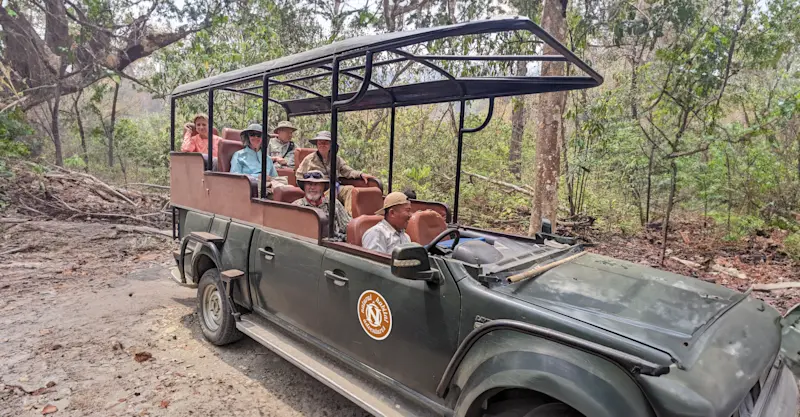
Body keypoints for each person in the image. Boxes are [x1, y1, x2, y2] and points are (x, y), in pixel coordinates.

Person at [296, 131, 377, 214]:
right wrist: (309, 184)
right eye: (320, 143)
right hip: (320, 188)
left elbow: (347, 171)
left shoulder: (336, 159)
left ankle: (348, 216)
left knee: (350, 189)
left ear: (331, 145)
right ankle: (328, 216)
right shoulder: (309, 159)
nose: (322, 145)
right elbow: (299, 175)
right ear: (317, 144)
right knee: (330, 193)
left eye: (326, 143)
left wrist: (360, 174)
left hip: (336, 186)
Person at [293, 170, 351, 242]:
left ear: (323, 187)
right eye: (309, 184)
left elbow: (348, 227)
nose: (312, 188)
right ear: (304, 186)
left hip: (336, 245)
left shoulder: (334, 203)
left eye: (316, 184)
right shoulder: (296, 207)